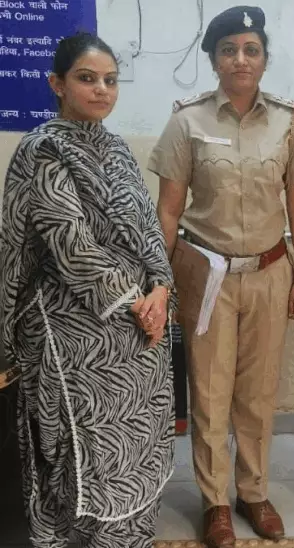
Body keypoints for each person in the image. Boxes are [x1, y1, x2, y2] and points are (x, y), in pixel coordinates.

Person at [148, 6, 294, 546]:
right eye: (229, 50)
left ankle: (254, 491)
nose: (240, 59)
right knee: (209, 389)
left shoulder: (289, 121)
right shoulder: (188, 121)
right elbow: (168, 210)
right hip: (207, 278)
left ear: (265, 60)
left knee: (258, 390)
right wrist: (161, 279)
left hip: (270, 273)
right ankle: (215, 501)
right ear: (214, 60)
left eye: (251, 50)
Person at [0, 32, 176, 547]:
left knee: (139, 438)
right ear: (57, 84)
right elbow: (71, 245)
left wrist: (161, 288)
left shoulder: (116, 148)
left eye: (111, 80)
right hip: (71, 328)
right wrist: (135, 303)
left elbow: (147, 226)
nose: (102, 89)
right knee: (86, 449)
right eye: (87, 78)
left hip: (140, 327)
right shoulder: (42, 149)